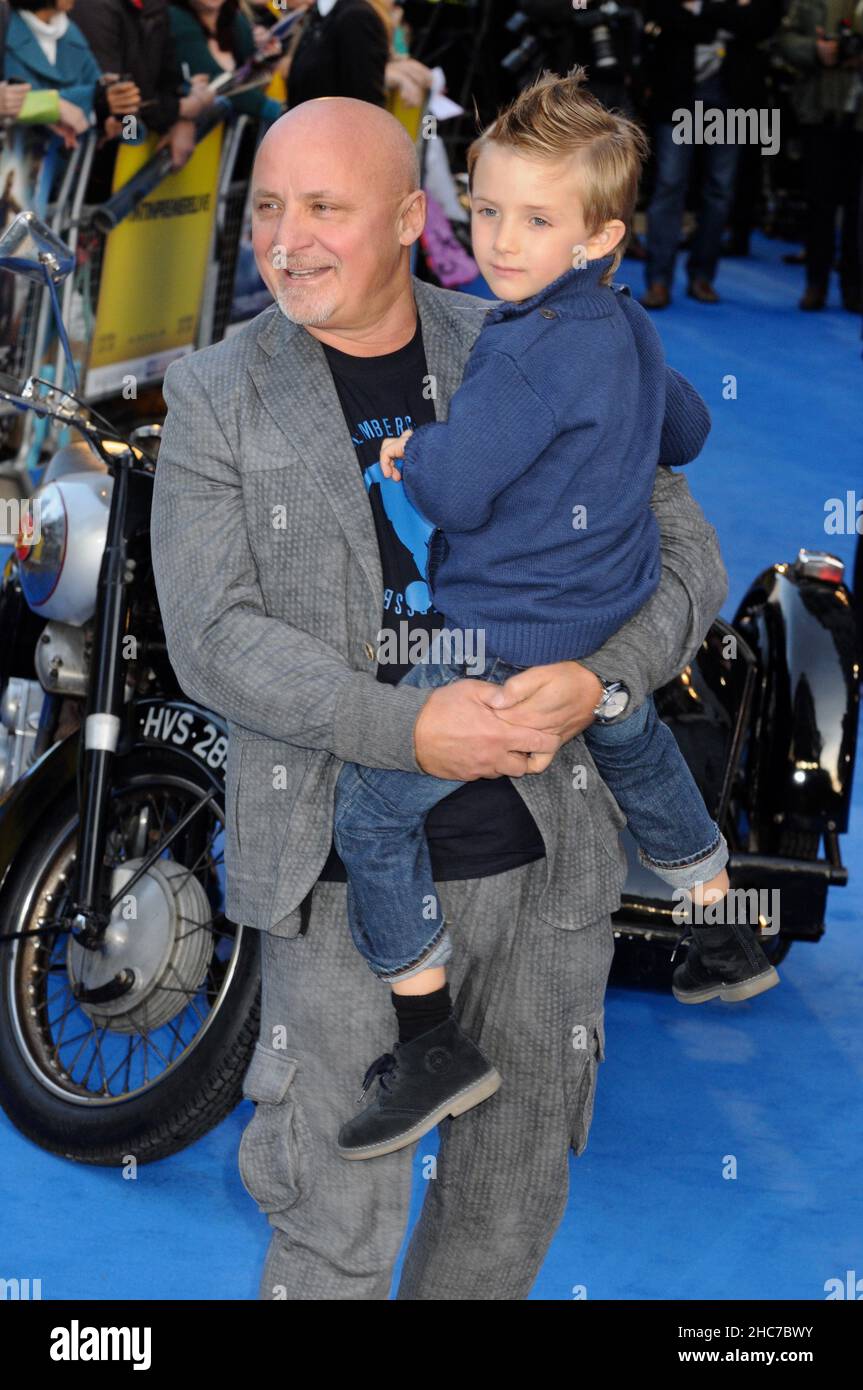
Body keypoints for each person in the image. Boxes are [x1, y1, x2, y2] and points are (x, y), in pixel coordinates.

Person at [150, 94, 729, 1301]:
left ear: (413, 219)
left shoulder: (527, 338)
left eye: (323, 207)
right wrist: (405, 724)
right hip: (340, 869)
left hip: (543, 852)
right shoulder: (215, 394)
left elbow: (687, 558)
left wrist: (599, 678)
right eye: (264, 206)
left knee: (508, 1207)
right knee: (329, 1212)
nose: (284, 238)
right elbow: (213, 636)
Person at [328, 67, 779, 1162]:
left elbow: (455, 488)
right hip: (608, 615)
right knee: (629, 736)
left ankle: (429, 1037)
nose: (498, 238)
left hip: (500, 644)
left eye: (534, 219)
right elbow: (683, 431)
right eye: (484, 208)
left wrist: (410, 454)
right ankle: (719, 928)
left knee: (368, 812)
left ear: (598, 236)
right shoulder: (625, 325)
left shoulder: (521, 352)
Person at [640, 0, 781, 308]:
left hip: (734, 99)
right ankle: (658, 280)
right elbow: (664, 13)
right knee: (669, 186)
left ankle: (702, 276)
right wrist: (728, 21)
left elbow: (762, 21)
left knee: (720, 191)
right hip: (677, 94)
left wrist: (702, 9)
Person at [778, 0, 863, 312]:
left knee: (858, 207)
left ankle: (855, 287)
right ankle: (816, 282)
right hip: (818, 112)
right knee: (819, 202)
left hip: (859, 119)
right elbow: (784, 40)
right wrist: (816, 49)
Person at [61, 0, 216, 169]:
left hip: (132, 147)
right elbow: (116, 101)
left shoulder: (156, 7)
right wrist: (182, 109)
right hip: (90, 160)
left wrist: (182, 120)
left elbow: (170, 79)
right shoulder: (94, 9)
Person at [168, 0, 283, 126]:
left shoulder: (235, 18)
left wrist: (266, 55)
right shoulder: (176, 19)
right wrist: (275, 110)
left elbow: (250, 70)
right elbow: (215, 82)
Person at [3, 0, 102, 143]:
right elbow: (20, 101)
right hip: (23, 155)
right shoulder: (7, 30)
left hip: (78, 152)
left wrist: (109, 118)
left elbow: (100, 87)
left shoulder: (69, 30)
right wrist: (95, 97)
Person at [285, 0, 388, 109]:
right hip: (306, 122)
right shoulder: (319, 13)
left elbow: (365, 101)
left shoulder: (356, 16)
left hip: (334, 123)